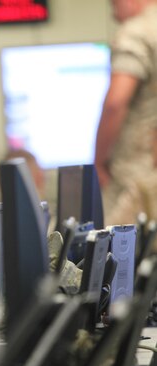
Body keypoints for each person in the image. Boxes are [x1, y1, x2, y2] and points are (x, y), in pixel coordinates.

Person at [94, 0, 157, 212]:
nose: (115, 16)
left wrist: (99, 161)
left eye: (114, 5)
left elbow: (116, 102)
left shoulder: (138, 32)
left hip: (138, 178)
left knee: (114, 242)